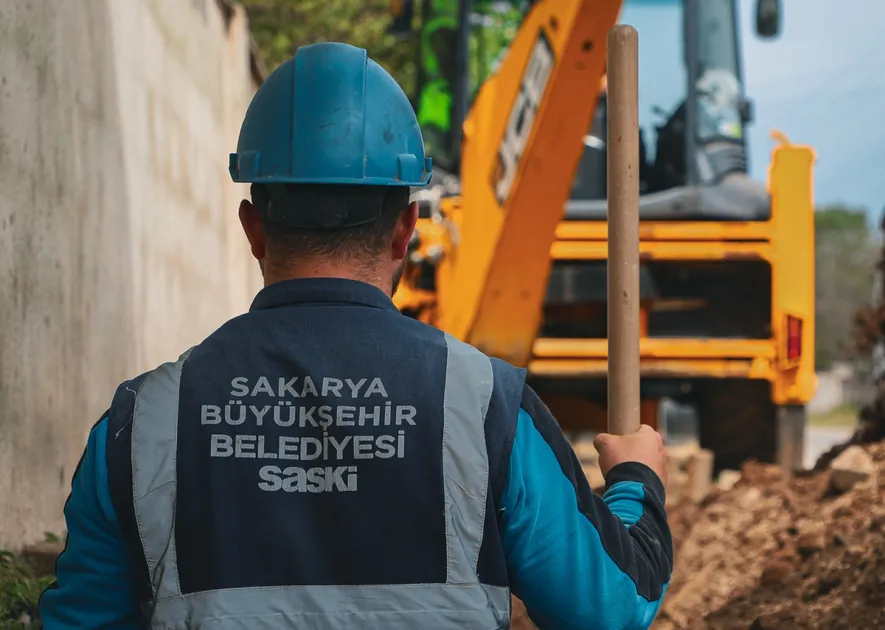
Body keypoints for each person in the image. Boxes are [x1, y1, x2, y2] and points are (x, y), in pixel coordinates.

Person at [38, 41, 672, 629]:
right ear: (405, 231)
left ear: (253, 228)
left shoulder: (141, 422)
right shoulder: (485, 407)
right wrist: (635, 482)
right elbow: (610, 609)